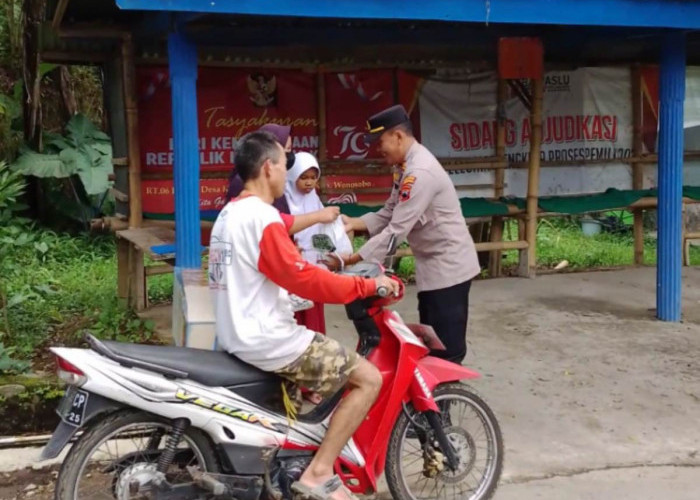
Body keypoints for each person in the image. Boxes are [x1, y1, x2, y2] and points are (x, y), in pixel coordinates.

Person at [209, 131, 399, 500]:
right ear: (268, 168)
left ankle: (286, 471)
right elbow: (304, 279)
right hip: (270, 339)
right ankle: (320, 471)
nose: (287, 171)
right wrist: (366, 286)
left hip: (236, 334)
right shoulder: (262, 219)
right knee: (368, 379)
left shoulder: (229, 215)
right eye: (284, 163)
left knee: (300, 407)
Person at [338, 105, 480, 364]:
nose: (378, 149)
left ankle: (445, 401)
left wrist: (353, 259)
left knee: (446, 350)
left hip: (449, 268)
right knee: (430, 342)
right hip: (432, 265)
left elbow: (396, 230)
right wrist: (355, 223)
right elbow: (390, 211)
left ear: (398, 136)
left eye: (380, 142)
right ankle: (433, 402)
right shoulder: (405, 167)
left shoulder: (419, 172)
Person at [285, 151, 354, 334]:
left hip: (313, 265)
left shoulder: (314, 199)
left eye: (313, 177)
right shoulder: (285, 200)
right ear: (293, 176)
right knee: (295, 318)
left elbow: (319, 233)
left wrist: (331, 248)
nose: (309, 182)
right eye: (303, 177)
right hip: (293, 264)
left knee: (313, 315)